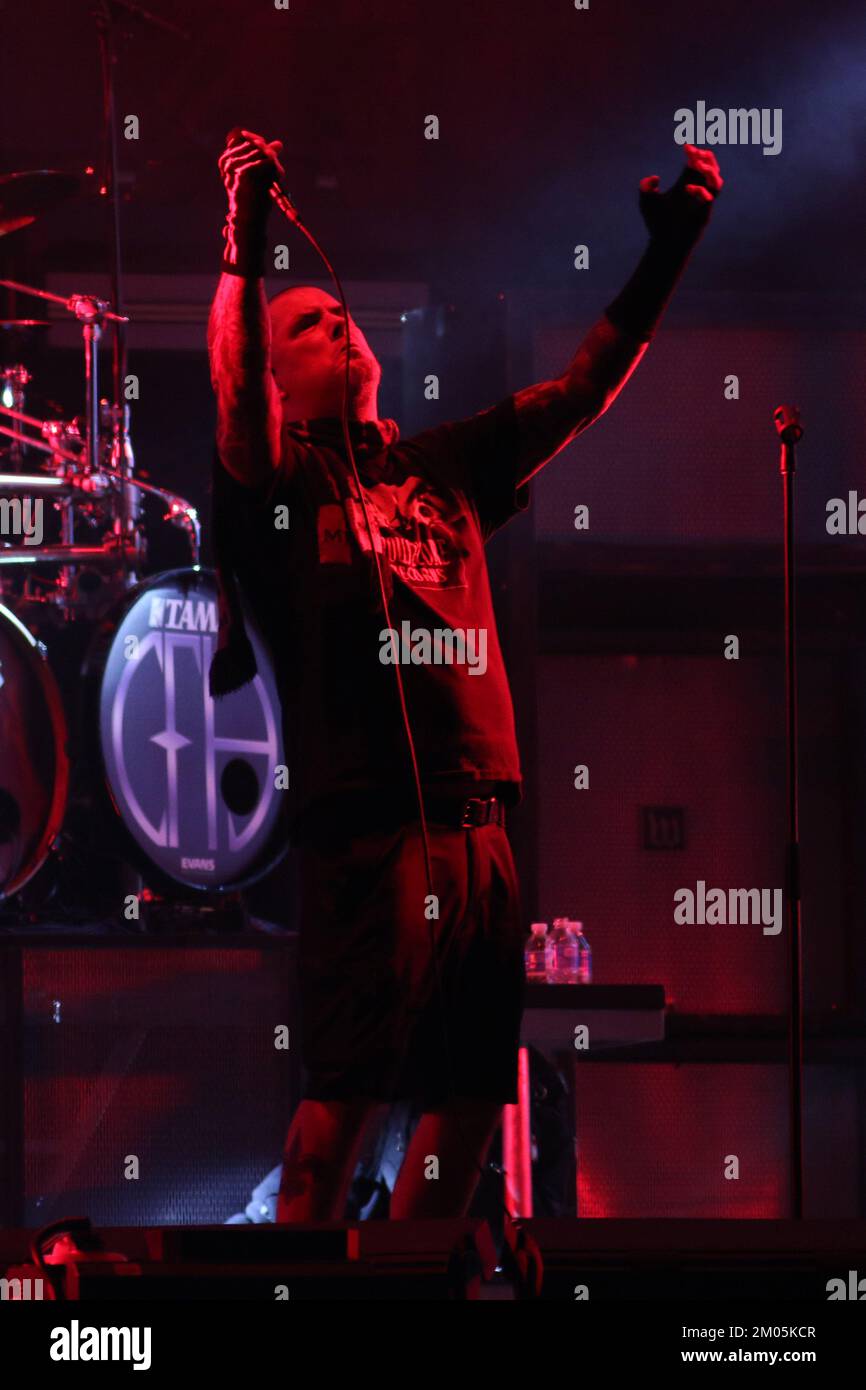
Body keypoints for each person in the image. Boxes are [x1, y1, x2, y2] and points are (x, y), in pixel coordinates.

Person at [207, 129, 723, 1221]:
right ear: (280, 374)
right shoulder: (281, 486)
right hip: (368, 827)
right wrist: (245, 253)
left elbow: (580, 390)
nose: (332, 320)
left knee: (462, 1116)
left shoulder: (441, 466)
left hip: (481, 825)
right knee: (336, 1114)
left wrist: (666, 254)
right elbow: (234, 391)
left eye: (335, 311)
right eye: (305, 326)